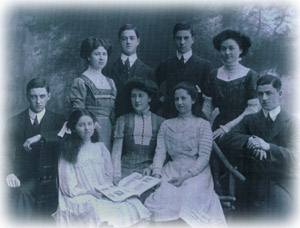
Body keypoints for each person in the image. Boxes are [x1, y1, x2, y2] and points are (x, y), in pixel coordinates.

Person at [144, 82, 226, 227]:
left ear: (193, 100)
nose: (180, 102)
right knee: (163, 196)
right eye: (177, 99)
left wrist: (186, 176)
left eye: (183, 98)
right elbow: (160, 152)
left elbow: (204, 157)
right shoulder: (167, 124)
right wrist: (156, 174)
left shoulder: (203, 124)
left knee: (188, 197)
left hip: (197, 172)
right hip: (171, 169)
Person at [53, 109, 151, 227]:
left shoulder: (100, 148)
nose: (87, 128)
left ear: (94, 125)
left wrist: (110, 189)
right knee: (101, 212)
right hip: (81, 196)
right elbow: (68, 188)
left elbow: (108, 176)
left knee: (133, 204)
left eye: (89, 124)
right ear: (73, 128)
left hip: (103, 191)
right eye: (81, 125)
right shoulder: (68, 152)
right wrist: (91, 192)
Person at [220, 75, 294, 218]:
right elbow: (227, 139)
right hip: (251, 182)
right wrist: (250, 140)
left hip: (282, 182)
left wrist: (267, 147)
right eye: (260, 94)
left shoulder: (292, 123)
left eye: (269, 93)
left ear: (280, 94)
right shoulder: (250, 120)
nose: (264, 98)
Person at [205, 29, 260, 195]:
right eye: (223, 49)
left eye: (231, 48)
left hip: (242, 126)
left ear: (240, 50)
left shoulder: (250, 75)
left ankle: (239, 198)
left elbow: (251, 109)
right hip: (215, 128)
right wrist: (206, 125)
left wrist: (227, 128)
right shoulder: (213, 74)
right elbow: (207, 104)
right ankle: (215, 196)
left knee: (237, 163)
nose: (227, 52)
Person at [6, 78, 65, 220]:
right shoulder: (14, 121)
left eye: (42, 96)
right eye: (33, 97)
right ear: (27, 96)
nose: (38, 101)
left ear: (49, 96)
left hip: (52, 176)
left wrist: (40, 136)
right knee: (21, 194)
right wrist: (9, 172)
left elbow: (64, 138)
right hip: (24, 175)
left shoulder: (59, 120)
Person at [111, 78, 164, 184]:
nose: (137, 100)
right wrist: (116, 175)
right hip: (125, 170)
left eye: (141, 96)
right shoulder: (122, 120)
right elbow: (116, 152)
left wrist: (153, 169)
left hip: (148, 171)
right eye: (133, 96)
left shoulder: (160, 122)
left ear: (149, 98)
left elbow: (161, 151)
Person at [155, 22, 212, 118]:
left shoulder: (205, 66)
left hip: (196, 117)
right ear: (174, 39)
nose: (182, 42)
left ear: (193, 39)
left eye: (186, 38)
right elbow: (154, 88)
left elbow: (208, 97)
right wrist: (162, 99)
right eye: (178, 38)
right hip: (170, 115)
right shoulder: (165, 65)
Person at [69, 37, 116, 150]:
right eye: (97, 54)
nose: (101, 58)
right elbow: (78, 112)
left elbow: (113, 112)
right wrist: (90, 126)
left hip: (109, 130)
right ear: (88, 56)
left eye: (104, 54)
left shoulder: (110, 82)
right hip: (89, 130)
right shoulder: (81, 81)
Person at [107, 24, 154, 117]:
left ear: (138, 41)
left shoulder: (148, 71)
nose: (128, 42)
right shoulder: (109, 69)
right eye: (124, 39)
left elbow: (152, 100)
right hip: (115, 118)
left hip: (140, 120)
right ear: (119, 41)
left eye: (132, 38)